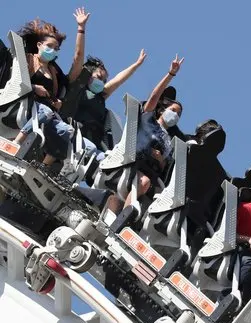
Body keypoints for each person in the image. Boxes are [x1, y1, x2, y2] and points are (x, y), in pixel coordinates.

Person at [104, 55, 184, 217]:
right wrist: (171, 74)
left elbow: (164, 167)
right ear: (163, 109)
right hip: (132, 161)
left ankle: (128, 217)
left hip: (150, 172)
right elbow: (155, 95)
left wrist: (160, 159)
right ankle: (124, 217)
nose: (175, 115)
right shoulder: (149, 119)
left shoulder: (169, 141)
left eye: (179, 114)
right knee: (144, 182)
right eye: (173, 110)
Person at [12, 9, 91, 166]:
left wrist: (81, 29)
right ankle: (16, 143)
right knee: (46, 111)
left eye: (56, 49)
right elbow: (14, 80)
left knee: (67, 131)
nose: (53, 51)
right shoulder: (27, 59)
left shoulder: (54, 71)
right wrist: (33, 87)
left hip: (46, 115)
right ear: (39, 45)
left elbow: (77, 60)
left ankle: (42, 167)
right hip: (24, 105)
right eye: (50, 46)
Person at [74, 50, 147, 161]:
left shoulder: (101, 96)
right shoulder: (78, 89)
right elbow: (78, 58)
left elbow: (118, 80)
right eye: (99, 77)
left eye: (104, 81)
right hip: (75, 135)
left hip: (94, 141)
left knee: (108, 161)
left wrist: (136, 65)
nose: (101, 83)